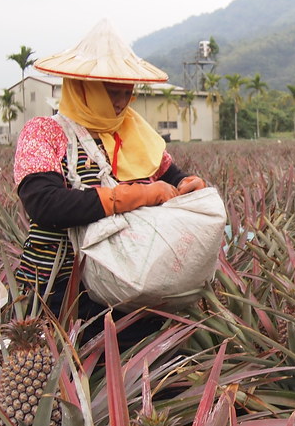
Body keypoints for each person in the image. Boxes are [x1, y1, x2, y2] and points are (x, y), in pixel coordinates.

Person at [12, 19, 207, 342]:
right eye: (111, 92)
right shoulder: (45, 132)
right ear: (83, 87)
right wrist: (130, 197)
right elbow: (44, 204)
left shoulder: (134, 133)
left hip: (129, 283)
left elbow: (173, 177)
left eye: (126, 93)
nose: (120, 102)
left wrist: (189, 186)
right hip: (58, 289)